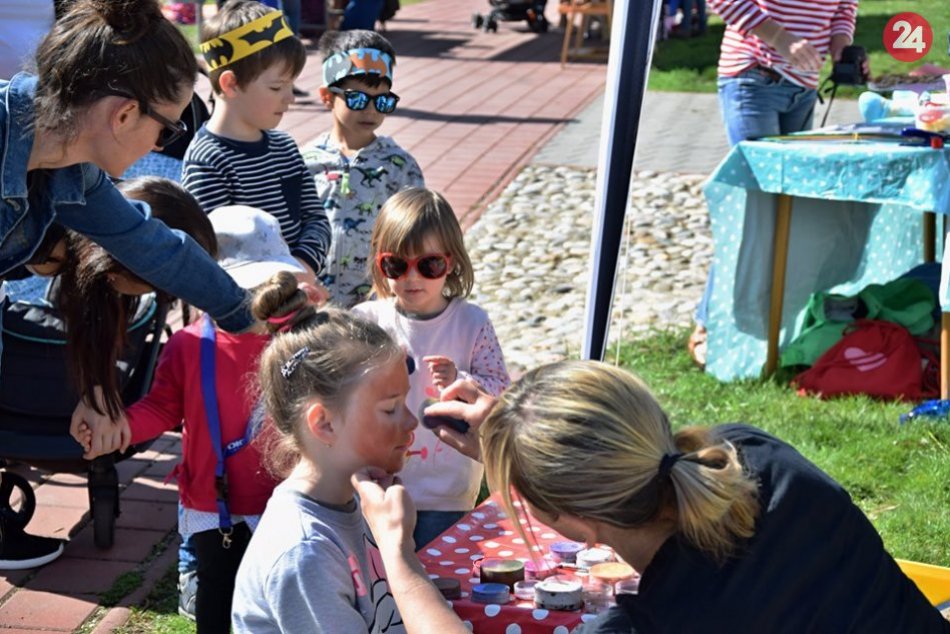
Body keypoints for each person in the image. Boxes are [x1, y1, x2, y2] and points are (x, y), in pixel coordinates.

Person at [354, 361, 950, 633]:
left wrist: (400, 559)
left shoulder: (648, 624)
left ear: (577, 527)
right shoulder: (758, 457)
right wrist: (525, 445)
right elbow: (636, 456)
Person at [0, 0, 257, 572]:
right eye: (166, 129)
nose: (161, 148)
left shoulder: (75, 172)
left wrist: (252, 317)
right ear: (123, 115)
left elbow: (156, 247)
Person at [72, 207, 306, 633]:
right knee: (217, 593)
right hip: (215, 506)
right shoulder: (188, 344)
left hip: (287, 497)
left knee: (283, 594)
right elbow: (163, 406)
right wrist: (118, 430)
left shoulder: (295, 339)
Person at [231, 275, 416, 633]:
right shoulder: (305, 553)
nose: (411, 421)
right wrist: (401, 549)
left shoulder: (358, 501)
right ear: (325, 424)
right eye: (391, 408)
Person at [688, 0, 862, 365]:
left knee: (788, 211)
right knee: (755, 208)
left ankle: (771, 324)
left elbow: (845, 6)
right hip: (754, 78)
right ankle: (709, 325)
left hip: (803, 88)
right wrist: (781, 39)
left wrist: (841, 46)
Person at [353, 188, 509, 548]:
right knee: (382, 588)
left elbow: (500, 391)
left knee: (438, 584)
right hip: (379, 486)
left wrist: (462, 380)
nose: (411, 277)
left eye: (428, 265)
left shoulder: (471, 322)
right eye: (396, 265)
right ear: (379, 263)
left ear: (450, 263)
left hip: (447, 492)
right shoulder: (367, 320)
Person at [182, 0, 330, 290]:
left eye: (291, 85)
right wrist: (283, 288)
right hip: (247, 312)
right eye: (277, 87)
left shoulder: (284, 146)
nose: (291, 98)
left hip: (300, 294)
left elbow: (315, 218)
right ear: (230, 84)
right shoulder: (207, 160)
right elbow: (210, 256)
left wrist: (304, 268)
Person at [303, 29, 424, 307]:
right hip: (314, 303)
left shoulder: (399, 166)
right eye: (357, 99)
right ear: (327, 96)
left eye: (382, 100)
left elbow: (416, 236)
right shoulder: (306, 161)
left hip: (377, 305)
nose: (370, 110)